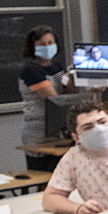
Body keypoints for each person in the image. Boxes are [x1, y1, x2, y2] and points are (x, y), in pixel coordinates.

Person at [18, 25, 70, 172]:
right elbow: (53, 98)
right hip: (37, 131)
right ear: (33, 47)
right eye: (42, 44)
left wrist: (74, 78)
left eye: (50, 43)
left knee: (59, 171)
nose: (47, 47)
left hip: (57, 129)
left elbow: (67, 95)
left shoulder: (57, 65)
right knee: (42, 173)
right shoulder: (30, 70)